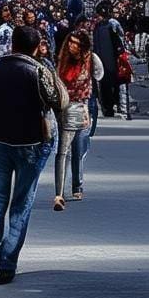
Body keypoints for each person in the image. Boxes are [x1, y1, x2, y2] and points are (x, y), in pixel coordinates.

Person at [0, 25, 56, 284]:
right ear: (34, 46)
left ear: (13, 43)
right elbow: (54, 100)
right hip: (30, 142)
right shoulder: (37, 71)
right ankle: (7, 262)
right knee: (21, 201)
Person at [53, 30, 103, 209]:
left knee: (79, 148)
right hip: (66, 107)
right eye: (70, 42)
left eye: (76, 43)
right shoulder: (63, 60)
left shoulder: (91, 59)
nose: (72, 46)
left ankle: (77, 185)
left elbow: (99, 74)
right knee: (63, 150)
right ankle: (59, 193)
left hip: (82, 106)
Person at [92, 1, 125, 118]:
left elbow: (118, 43)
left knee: (109, 85)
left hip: (108, 61)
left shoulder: (107, 26)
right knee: (108, 85)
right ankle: (110, 106)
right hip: (105, 61)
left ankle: (110, 106)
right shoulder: (101, 27)